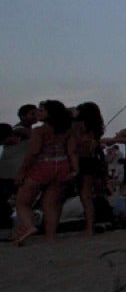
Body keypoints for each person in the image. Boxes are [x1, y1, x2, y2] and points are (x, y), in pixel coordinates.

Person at [13, 100, 78, 244]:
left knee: (22, 202)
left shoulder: (39, 131)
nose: (38, 113)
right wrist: (75, 170)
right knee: (50, 205)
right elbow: (72, 152)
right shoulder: (67, 131)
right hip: (62, 166)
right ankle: (50, 237)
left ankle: (29, 227)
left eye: (41, 111)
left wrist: (22, 172)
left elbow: (33, 153)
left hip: (43, 166)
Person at [73, 102, 107, 236]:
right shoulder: (96, 128)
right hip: (93, 161)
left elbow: (77, 142)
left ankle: (89, 227)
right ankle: (90, 226)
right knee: (87, 195)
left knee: (84, 195)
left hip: (81, 160)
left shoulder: (77, 126)